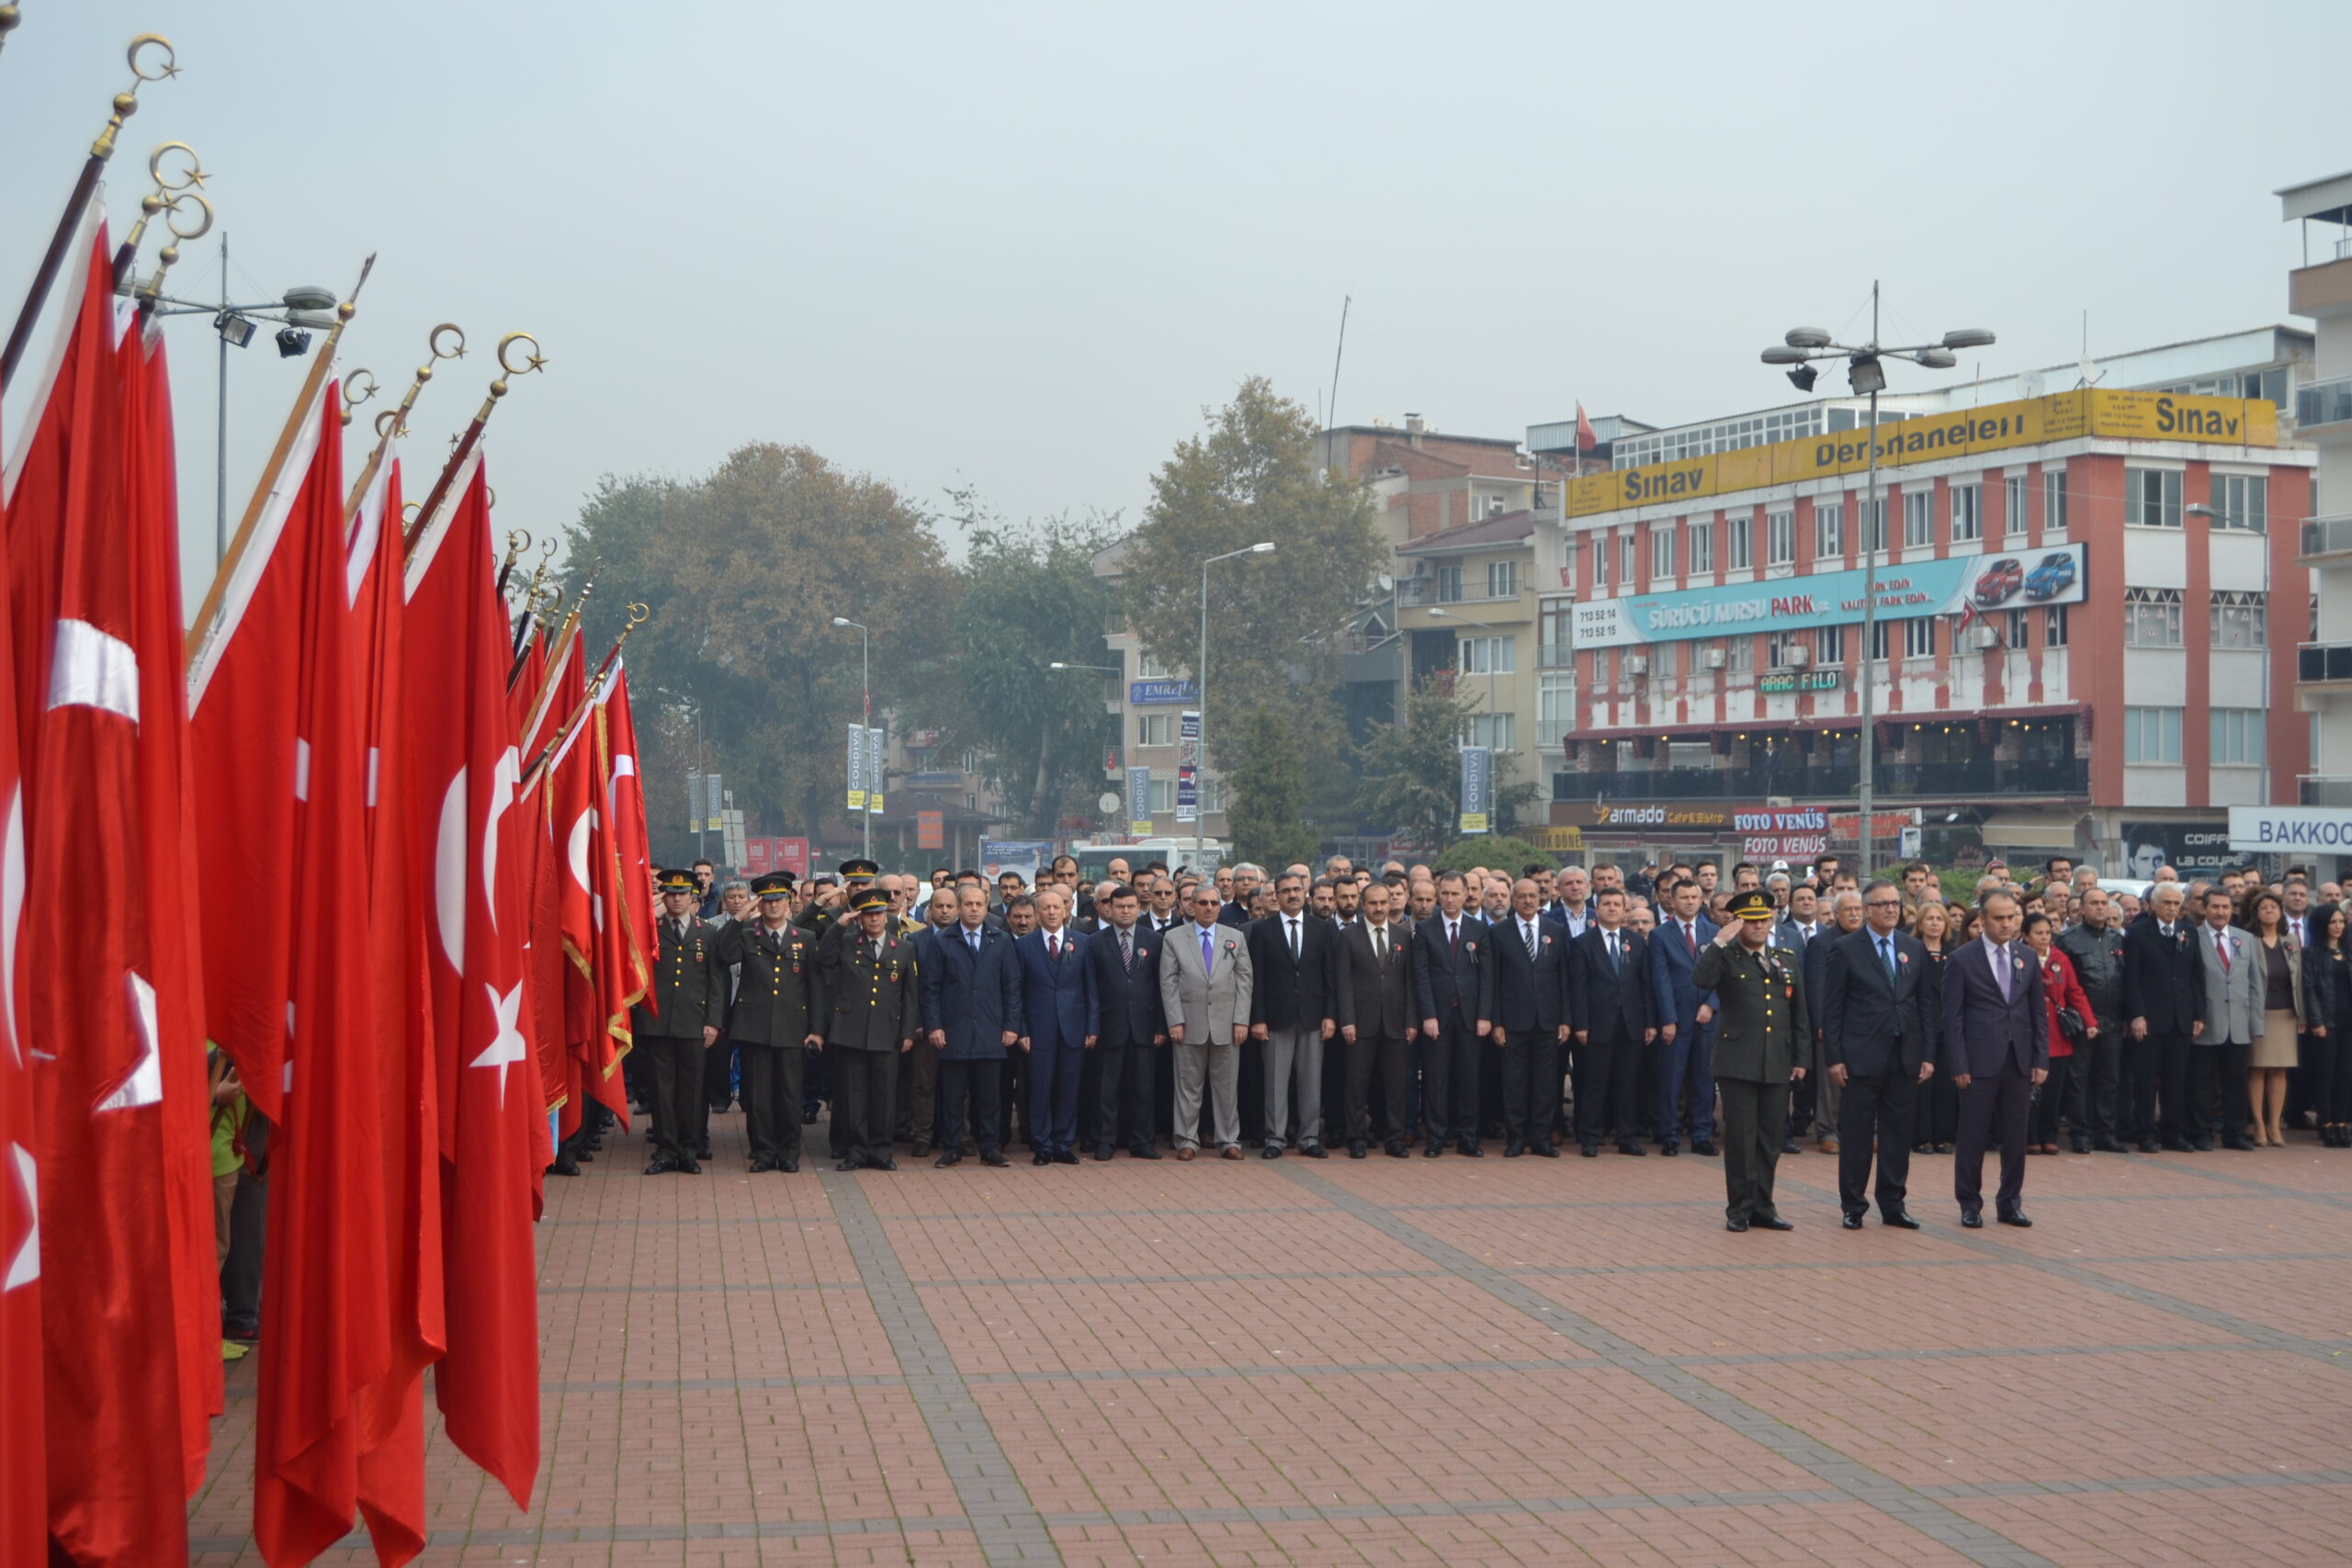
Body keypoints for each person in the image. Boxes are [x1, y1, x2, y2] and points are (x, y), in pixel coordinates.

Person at [1692, 889, 1807, 1231]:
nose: (1759, 926)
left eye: (1764, 919)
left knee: (1770, 1139)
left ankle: (1763, 1206)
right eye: (1751, 920)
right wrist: (1719, 942)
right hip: (1737, 1061)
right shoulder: (1726, 958)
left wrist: (1801, 1057)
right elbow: (1700, 980)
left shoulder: (1785, 958)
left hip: (1776, 1060)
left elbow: (1799, 1012)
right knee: (1742, 1139)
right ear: (1738, 922)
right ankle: (1739, 1209)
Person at [1820, 880, 1931, 1228]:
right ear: (1867, 910)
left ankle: (1893, 1204)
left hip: (1904, 1055)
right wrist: (1834, 1057)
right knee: (1856, 1136)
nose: (1890, 909)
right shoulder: (1846, 948)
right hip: (1860, 1057)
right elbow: (1833, 1007)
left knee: (1898, 1135)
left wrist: (1927, 1053)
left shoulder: (1912, 947)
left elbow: (1925, 1004)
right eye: (1882, 904)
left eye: (1895, 904)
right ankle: (1853, 1205)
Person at [1941, 890, 2048, 1226]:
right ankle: (1969, 1203)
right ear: (1983, 920)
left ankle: (2010, 1201)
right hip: (1978, 1062)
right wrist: (1959, 1064)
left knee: (2016, 1137)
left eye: (2012, 917)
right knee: (1973, 1136)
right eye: (1999, 918)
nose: (2007, 924)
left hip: (2018, 1060)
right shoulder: (1962, 959)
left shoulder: (2026, 957)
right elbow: (1952, 1018)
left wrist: (2040, 1059)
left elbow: (2036, 1014)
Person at [715, 874, 827, 1172]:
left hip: (793, 1027)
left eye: (779, 900)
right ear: (760, 904)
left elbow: (814, 986)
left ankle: (789, 1152)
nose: (774, 905)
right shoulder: (748, 933)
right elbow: (724, 953)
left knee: (790, 1095)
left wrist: (816, 1030)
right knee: (759, 1095)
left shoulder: (804, 938)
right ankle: (763, 1152)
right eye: (768, 900)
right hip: (754, 1027)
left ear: (789, 902)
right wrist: (739, 917)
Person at [922, 883, 1023, 1167]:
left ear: (986, 906)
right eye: (968, 904)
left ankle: (990, 1148)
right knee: (953, 1096)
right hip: (953, 1031)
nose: (975, 909)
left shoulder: (1000, 940)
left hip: (991, 1030)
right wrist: (934, 1026)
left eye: (979, 904)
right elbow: (930, 989)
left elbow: (1012, 987)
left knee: (990, 1096)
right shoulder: (942, 941)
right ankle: (953, 1146)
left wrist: (1011, 1026)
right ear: (958, 907)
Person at [633, 869, 727, 1174]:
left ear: (692, 897)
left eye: (682, 894)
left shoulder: (707, 932)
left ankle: (688, 1148)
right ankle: (665, 1149)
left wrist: (714, 1021)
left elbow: (716, 982)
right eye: (670, 893)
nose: (676, 899)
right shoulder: (650, 929)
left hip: (694, 1023)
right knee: (662, 1089)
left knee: (692, 1089)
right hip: (658, 1023)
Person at [821, 889, 917, 1171]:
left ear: (886, 916)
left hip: (887, 1032)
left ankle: (881, 1150)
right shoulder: (848, 942)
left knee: (884, 1095)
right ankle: (857, 1151)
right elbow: (822, 957)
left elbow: (910, 995)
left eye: (879, 913)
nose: (874, 919)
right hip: (851, 1031)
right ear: (860, 918)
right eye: (868, 914)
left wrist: (908, 1032)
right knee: (854, 1096)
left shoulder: (903, 948)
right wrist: (839, 925)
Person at [1246, 872, 1337, 1159]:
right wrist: (1257, 1019)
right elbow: (1255, 979)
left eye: (1297, 889)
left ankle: (1309, 1138)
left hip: (1313, 1016)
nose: (1292, 895)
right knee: (1275, 1082)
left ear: (1305, 893)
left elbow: (1329, 977)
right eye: (1285, 891)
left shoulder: (1321, 929)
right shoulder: (1263, 930)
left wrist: (1330, 1015)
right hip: (1275, 1018)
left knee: (1311, 1082)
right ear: (1276, 896)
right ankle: (1275, 1138)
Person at [1160, 882, 1252, 1159]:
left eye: (1214, 903)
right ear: (1192, 905)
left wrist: (1241, 1020)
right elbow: (1169, 982)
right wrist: (1175, 1020)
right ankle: (1187, 1139)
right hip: (1189, 1023)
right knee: (1188, 1087)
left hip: (1227, 1024)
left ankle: (1229, 1140)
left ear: (1220, 905)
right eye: (1202, 903)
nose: (1209, 907)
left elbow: (1245, 981)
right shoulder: (1174, 938)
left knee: (1227, 1088)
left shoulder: (1234, 936)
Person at [1334, 881, 1419, 1158]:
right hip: (1360, 1022)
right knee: (1356, 1083)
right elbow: (1343, 981)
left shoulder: (1403, 936)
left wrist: (1411, 1021)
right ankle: (1356, 1137)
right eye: (1373, 903)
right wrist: (1347, 1020)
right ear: (1363, 904)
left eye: (1384, 902)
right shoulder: (1349, 936)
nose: (1380, 907)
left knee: (1396, 1084)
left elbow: (1409, 982)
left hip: (1395, 1022)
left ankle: (1395, 1138)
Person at [1412, 872, 1495, 1157]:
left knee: (1469, 1079)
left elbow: (1487, 976)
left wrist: (1485, 1015)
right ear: (1438, 895)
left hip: (1471, 1017)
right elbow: (1421, 976)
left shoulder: (1478, 929)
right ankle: (1436, 1137)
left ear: (1465, 895)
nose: (1449, 899)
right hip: (1439, 1017)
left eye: (1455, 894)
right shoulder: (1425, 930)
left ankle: (1468, 1137)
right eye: (1444, 894)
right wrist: (1428, 1015)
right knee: (1436, 1080)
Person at [1014, 886, 1097, 1166]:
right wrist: (1022, 1029)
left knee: (1068, 1088)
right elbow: (1018, 992)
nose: (1051, 912)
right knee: (1039, 1089)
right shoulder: (1024, 945)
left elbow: (1090, 990)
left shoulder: (1082, 942)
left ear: (1066, 911)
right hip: (1038, 1030)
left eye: (1057, 907)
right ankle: (1043, 1145)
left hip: (1073, 1028)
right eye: (1046, 908)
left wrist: (1092, 1027)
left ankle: (1063, 1143)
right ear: (1037, 914)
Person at [1488, 878, 1571, 1158]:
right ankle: (1516, 1138)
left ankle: (1541, 1138)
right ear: (1513, 899)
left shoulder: (1556, 931)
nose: (1527, 901)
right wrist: (1496, 1021)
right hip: (1513, 1021)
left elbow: (1564, 979)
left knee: (1546, 1084)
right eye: (1521, 896)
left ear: (1540, 898)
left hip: (1548, 1020)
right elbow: (1493, 980)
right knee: (1514, 1083)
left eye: (1532, 896)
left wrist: (1565, 1019)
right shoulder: (1500, 932)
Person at [1568, 887, 1653, 1156]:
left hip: (1631, 1023)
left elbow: (1645, 986)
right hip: (1596, 1024)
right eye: (1607, 904)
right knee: (1595, 1083)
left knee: (1627, 1084)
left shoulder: (1636, 942)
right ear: (1597, 908)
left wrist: (1650, 1023)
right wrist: (1580, 1024)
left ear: (1625, 910)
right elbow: (1578, 988)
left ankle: (1626, 1137)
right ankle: (1591, 1137)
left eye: (1618, 904)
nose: (1612, 908)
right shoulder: (1582, 943)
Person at [2123, 881, 2204, 1153]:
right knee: (2146, 1079)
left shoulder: (2188, 931)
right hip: (2150, 1017)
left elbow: (2196, 974)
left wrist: (2198, 1014)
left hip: (2181, 1016)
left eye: (2176, 903)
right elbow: (2131, 979)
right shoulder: (2136, 933)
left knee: (2176, 1078)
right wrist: (2136, 1015)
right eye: (2166, 903)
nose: (2172, 908)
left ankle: (2173, 1132)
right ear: (2153, 904)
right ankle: (2145, 1132)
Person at [1087, 883, 1165, 1160]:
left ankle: (1142, 1141)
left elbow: (1160, 987)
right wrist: (1093, 1027)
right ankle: (1105, 1141)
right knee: (1106, 1090)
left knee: (1143, 1088)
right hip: (1110, 1026)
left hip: (1144, 1027)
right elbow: (1091, 989)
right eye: (1120, 906)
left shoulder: (1153, 940)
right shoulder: (1095, 942)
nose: (1126, 911)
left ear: (1138, 907)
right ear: (1110, 908)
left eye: (1131, 906)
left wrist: (1160, 1027)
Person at [2055, 886, 2129, 1152]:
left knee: (2109, 1080)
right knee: (2079, 1080)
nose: (2100, 907)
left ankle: (2105, 1133)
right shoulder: (2068, 940)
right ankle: (2081, 1134)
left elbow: (2126, 979)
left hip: (2112, 1020)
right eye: (2094, 903)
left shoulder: (2118, 939)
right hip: (2081, 1022)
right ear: (2082, 909)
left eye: (2103, 903)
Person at [1648, 878, 1717, 1157]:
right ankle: (1670, 1135)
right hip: (1675, 1019)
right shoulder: (1660, 935)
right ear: (1672, 902)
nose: (1690, 901)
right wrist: (1668, 1018)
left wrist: (1712, 1004)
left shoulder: (1714, 932)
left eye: (1694, 896)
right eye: (1684, 897)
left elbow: (1723, 973)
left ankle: (1702, 1134)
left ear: (1701, 899)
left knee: (1704, 1078)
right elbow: (1660, 979)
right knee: (1671, 1080)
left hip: (1706, 1018)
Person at [2190, 888, 2259, 1151]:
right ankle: (2202, 1133)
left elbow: (2255, 983)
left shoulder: (2245, 939)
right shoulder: (2193, 937)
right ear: (2205, 909)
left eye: (2226, 907)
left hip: (2239, 1022)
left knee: (2236, 1083)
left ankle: (2235, 1133)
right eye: (2216, 907)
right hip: (2206, 1020)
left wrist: (2256, 1023)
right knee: (2202, 1084)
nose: (2221, 912)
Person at [2023, 911, 2092, 1155]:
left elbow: (2074, 991)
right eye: (2038, 933)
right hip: (2030, 1032)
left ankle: (2049, 1135)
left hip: (2058, 1035)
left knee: (2054, 1090)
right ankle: (2029, 1136)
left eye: (2047, 933)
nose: (2044, 938)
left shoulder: (2060, 958)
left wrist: (2089, 1021)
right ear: (2026, 936)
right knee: (2030, 1090)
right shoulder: (2019, 957)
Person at [1804, 889, 1866, 1153]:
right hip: (1832, 1022)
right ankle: (1828, 1131)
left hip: (1864, 1023)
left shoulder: (1870, 940)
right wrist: (1820, 1023)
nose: (1853, 914)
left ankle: (1863, 1131)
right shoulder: (1822, 942)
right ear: (1835, 914)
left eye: (1857, 909)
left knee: (1863, 1081)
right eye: (1847, 910)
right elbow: (1816, 985)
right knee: (1830, 1082)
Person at [2243, 889, 2306, 1148]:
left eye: (2274, 907)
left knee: (2280, 1070)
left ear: (2281, 913)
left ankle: (2274, 1123)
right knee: (2257, 1069)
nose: (2270, 911)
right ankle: (2258, 1123)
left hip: (2285, 1013)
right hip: (2259, 1013)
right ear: (2256, 914)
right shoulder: (2248, 940)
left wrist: (2302, 1014)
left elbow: (2299, 979)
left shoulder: (2290, 940)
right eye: (2264, 907)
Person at [1911, 900, 1959, 1155]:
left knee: (1945, 1084)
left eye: (1939, 919)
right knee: (1923, 1082)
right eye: (1929, 918)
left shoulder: (1954, 953)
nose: (1935, 923)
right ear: (1920, 923)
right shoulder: (1913, 951)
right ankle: (1922, 1136)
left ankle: (1944, 1136)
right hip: (1921, 1025)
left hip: (1948, 1025)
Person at [2313, 908, 2352, 1147]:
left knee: (2345, 1073)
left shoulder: (2348, 953)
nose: (2338, 926)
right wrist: (2317, 1021)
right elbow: (2310, 989)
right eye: (2332, 922)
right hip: (2326, 1021)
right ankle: (2325, 1121)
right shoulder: (2313, 954)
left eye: (2341, 921)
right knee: (2325, 1073)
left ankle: (2341, 1121)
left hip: (2348, 1020)